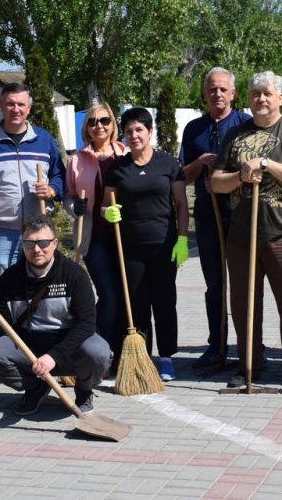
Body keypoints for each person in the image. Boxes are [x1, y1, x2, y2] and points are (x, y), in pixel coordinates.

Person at [211, 70, 282, 392]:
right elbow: (216, 182)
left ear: (279, 98)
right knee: (245, 306)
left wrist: (267, 165)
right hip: (242, 237)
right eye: (256, 94)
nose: (261, 99)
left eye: (267, 94)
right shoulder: (236, 134)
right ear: (248, 99)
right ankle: (248, 366)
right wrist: (241, 176)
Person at [0, 215, 111, 416]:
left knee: (99, 352)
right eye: (29, 243)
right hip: (28, 348)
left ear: (55, 243)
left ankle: (84, 389)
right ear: (23, 244)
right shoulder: (10, 278)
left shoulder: (75, 275)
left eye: (43, 243)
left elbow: (87, 325)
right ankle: (36, 386)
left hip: (69, 347)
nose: (36, 249)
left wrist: (53, 356)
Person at [101, 107, 188, 382]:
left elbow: (182, 204)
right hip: (130, 247)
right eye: (128, 131)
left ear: (150, 132)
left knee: (164, 301)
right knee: (136, 304)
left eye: (139, 130)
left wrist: (183, 238)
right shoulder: (118, 168)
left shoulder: (168, 164)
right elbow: (106, 204)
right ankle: (142, 357)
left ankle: (166, 357)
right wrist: (107, 213)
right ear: (123, 136)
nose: (134, 135)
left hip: (164, 245)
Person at [0, 82, 66, 306]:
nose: (15, 109)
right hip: (2, 230)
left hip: (39, 229)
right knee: (5, 285)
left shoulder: (44, 140)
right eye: (10, 104)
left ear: (28, 108)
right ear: (1, 106)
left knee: (41, 284)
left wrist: (52, 190)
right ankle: (7, 334)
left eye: (21, 104)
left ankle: (39, 332)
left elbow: (60, 176)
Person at [178, 67, 247, 369]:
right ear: (204, 93)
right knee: (215, 284)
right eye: (211, 89)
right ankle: (216, 345)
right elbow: (181, 175)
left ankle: (249, 345)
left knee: (245, 283)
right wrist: (201, 162)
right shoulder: (194, 128)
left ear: (233, 93)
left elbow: (254, 169)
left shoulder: (246, 124)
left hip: (241, 214)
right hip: (208, 216)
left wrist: (225, 180)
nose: (217, 94)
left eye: (223, 89)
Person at [64, 101, 129, 365]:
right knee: (109, 295)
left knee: (127, 295)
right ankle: (103, 348)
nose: (99, 126)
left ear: (113, 125)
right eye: (92, 122)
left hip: (124, 235)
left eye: (104, 120)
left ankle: (128, 350)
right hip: (94, 237)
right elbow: (68, 198)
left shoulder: (125, 155)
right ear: (86, 128)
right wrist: (74, 206)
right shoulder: (76, 160)